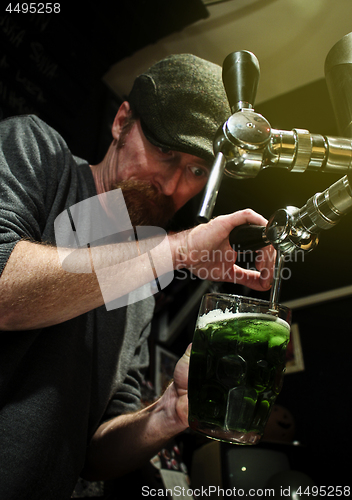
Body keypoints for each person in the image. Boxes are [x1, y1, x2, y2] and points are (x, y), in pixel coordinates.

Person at [0, 54, 274, 499]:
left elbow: (94, 455)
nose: (170, 186)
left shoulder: (143, 291)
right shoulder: (36, 151)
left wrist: (170, 412)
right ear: (121, 121)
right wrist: (178, 248)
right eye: (164, 150)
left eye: (197, 170)